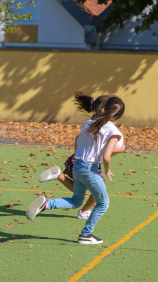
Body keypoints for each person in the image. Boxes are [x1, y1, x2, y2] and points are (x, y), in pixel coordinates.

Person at [26, 96, 125, 244]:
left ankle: (46, 204)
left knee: (76, 200)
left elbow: (78, 139)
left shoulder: (89, 122)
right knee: (103, 203)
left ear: (103, 110)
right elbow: (106, 156)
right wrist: (108, 170)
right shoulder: (114, 132)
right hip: (90, 169)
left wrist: (75, 156)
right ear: (119, 115)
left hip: (78, 165)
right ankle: (86, 235)